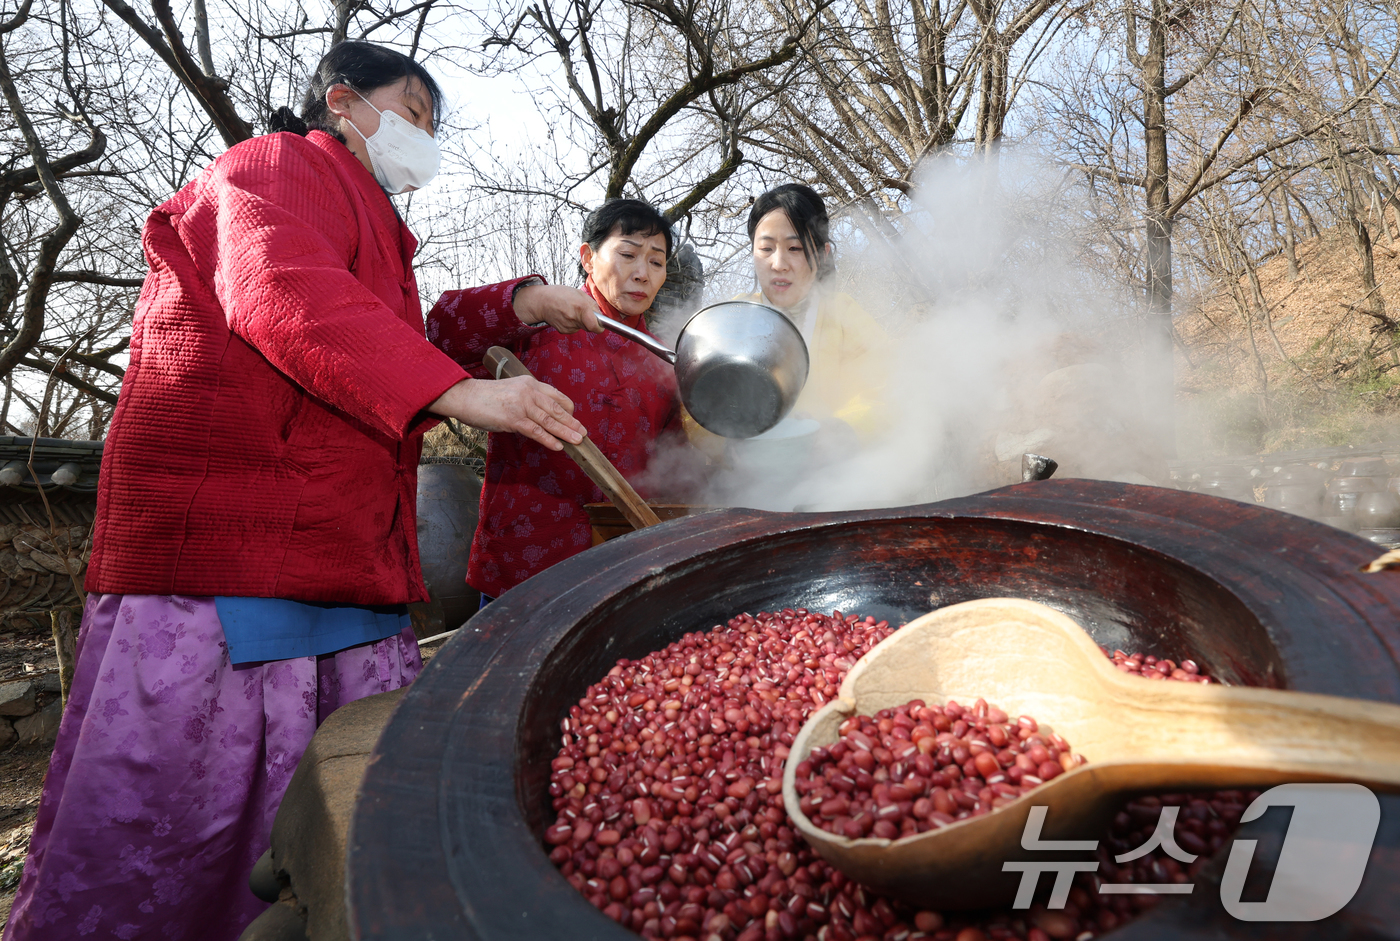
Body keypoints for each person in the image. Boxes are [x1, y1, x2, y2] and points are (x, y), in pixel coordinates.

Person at [4, 41, 591, 941]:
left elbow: (405, 330)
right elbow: (282, 286)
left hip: (339, 557)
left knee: (323, 830)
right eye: (414, 112)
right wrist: (462, 392)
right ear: (344, 102)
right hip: (237, 563)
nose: (424, 139)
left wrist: (520, 303)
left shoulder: (373, 221)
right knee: (186, 837)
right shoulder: (272, 165)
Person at [428, 199, 699, 601]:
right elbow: (441, 329)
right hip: (521, 569)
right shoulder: (534, 326)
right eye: (627, 254)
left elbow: (675, 471)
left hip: (617, 573)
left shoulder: (662, 360)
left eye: (657, 262)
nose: (642, 273)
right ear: (588, 258)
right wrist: (530, 300)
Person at [747, 183, 890, 439]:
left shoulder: (843, 314)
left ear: (823, 254)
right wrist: (728, 443)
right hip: (749, 474)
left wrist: (839, 431)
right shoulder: (734, 316)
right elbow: (697, 402)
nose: (778, 264)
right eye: (766, 249)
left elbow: (888, 384)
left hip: (834, 472)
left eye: (795, 249)